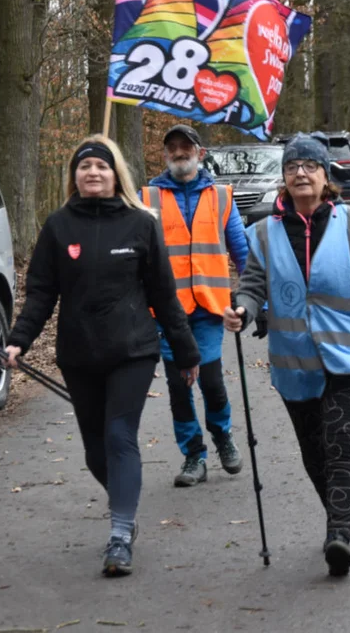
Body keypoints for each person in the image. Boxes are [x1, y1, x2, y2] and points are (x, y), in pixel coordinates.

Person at [4, 135, 201, 578]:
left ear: (117, 176)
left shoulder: (141, 224)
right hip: (78, 353)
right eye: (85, 166)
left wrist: (186, 352)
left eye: (102, 166)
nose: (93, 173)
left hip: (132, 350)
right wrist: (19, 340)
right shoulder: (58, 226)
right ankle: (125, 508)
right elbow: (40, 293)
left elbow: (164, 296)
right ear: (74, 176)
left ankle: (119, 534)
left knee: (118, 437)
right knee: (96, 452)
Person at [223, 133, 350, 578]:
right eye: (292, 168)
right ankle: (337, 514)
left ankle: (338, 534)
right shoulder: (264, 232)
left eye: (309, 166)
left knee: (342, 442)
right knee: (314, 452)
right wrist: (242, 311)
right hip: (295, 363)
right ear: (283, 180)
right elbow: (252, 286)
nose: (300, 173)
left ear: (326, 176)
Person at [139, 123, 249, 487]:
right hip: (168, 313)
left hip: (209, 307)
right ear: (164, 154)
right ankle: (193, 456)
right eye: (172, 147)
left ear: (200, 153)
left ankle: (223, 436)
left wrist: (253, 300)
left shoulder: (221, 196)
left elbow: (241, 251)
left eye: (186, 146)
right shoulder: (147, 198)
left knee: (212, 382)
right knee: (178, 386)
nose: (179, 152)